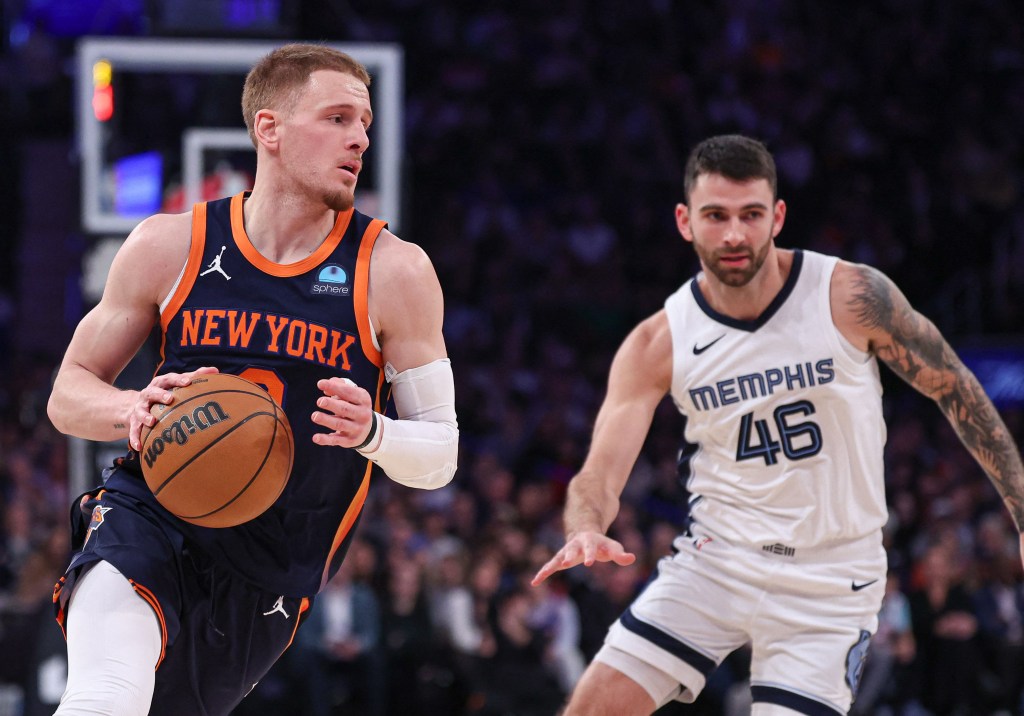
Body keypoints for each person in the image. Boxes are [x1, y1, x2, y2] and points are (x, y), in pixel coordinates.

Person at [532, 134, 1024, 715]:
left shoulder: (849, 294)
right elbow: (599, 473)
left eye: (751, 215)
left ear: (777, 217)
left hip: (831, 578)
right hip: (716, 561)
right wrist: (585, 525)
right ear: (686, 221)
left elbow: (954, 386)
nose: (735, 234)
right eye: (716, 216)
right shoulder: (658, 341)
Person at [46, 43, 458, 716]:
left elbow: (440, 456)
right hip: (151, 510)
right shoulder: (168, 245)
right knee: (106, 694)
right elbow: (68, 395)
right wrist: (131, 407)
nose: (358, 138)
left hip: (272, 567)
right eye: (336, 118)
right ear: (269, 129)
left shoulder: (395, 271)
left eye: (365, 123)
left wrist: (374, 432)